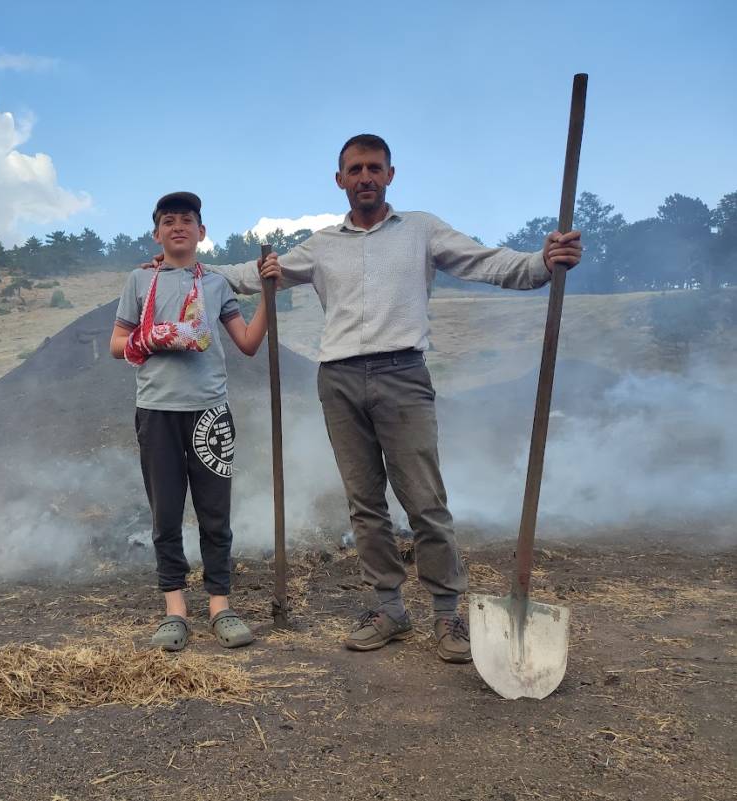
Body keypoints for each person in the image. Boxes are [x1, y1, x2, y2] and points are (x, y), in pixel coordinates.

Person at [207, 134, 583, 663]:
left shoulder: (422, 231)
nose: (365, 177)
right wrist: (186, 268)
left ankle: (448, 614)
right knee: (365, 504)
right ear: (339, 180)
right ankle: (389, 608)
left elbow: (489, 264)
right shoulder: (320, 245)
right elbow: (252, 278)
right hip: (337, 379)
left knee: (425, 500)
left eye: (374, 168)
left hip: (402, 374)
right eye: (355, 169)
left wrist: (545, 262)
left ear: (390, 175)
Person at [110, 191, 279, 652]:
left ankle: (221, 607)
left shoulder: (216, 284)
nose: (177, 226)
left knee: (214, 512)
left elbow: (246, 342)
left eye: (187, 220)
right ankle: (175, 611)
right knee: (166, 512)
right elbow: (116, 344)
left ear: (201, 232)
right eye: (168, 221)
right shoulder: (140, 281)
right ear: (157, 233)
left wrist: (267, 295)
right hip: (157, 410)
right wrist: (154, 335)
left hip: (209, 412)